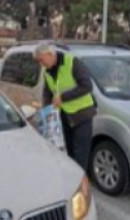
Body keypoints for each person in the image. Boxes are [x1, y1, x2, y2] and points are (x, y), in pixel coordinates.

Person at [34, 43, 97, 171]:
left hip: (81, 117)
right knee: (69, 154)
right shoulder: (47, 71)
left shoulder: (72, 62)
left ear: (50, 54)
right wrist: (46, 109)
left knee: (81, 156)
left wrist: (62, 97)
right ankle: (72, 183)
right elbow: (47, 92)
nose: (40, 64)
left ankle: (81, 187)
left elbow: (87, 86)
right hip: (64, 118)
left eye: (41, 60)